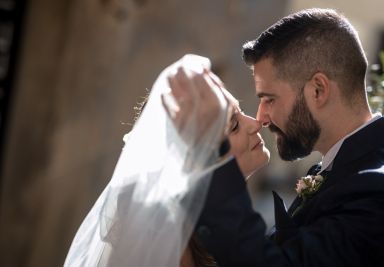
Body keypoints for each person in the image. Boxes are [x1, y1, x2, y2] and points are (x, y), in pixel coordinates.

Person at [168, 8, 384, 267]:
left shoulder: (379, 189)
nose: (261, 118)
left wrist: (215, 157)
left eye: (269, 99)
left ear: (317, 90)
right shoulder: (342, 169)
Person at [63, 55, 269, 267]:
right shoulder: (167, 239)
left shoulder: (220, 219)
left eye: (242, 112)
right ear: (191, 161)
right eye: (233, 126)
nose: (255, 124)